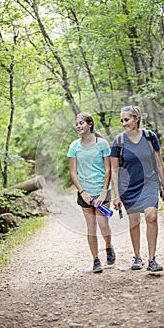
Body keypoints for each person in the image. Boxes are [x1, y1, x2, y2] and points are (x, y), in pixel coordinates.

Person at [110, 106, 164, 272]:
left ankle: (152, 259)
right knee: (134, 222)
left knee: (152, 216)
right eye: (121, 121)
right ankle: (137, 257)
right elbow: (114, 170)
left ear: (136, 119)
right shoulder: (118, 141)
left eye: (126, 120)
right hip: (128, 186)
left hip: (149, 183)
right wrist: (116, 195)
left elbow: (159, 163)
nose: (123, 123)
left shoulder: (150, 137)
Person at [67, 112, 116, 273]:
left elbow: (108, 169)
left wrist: (103, 193)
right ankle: (96, 259)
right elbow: (73, 173)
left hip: (102, 191)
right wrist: (82, 192)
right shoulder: (74, 146)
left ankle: (109, 246)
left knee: (103, 224)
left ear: (90, 124)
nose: (78, 126)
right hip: (85, 193)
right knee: (91, 227)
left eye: (81, 123)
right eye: (77, 124)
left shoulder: (102, 144)